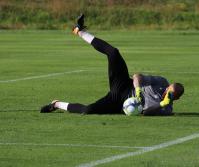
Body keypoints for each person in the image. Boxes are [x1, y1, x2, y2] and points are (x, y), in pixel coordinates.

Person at [40, 14, 184, 116]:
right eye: (169, 89)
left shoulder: (167, 109)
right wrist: (138, 90)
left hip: (118, 102)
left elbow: (145, 113)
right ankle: (80, 31)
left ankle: (56, 104)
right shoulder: (161, 82)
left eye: (171, 94)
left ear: (175, 99)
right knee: (114, 53)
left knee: (88, 110)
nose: (167, 92)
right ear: (169, 85)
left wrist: (162, 104)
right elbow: (137, 76)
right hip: (124, 86)